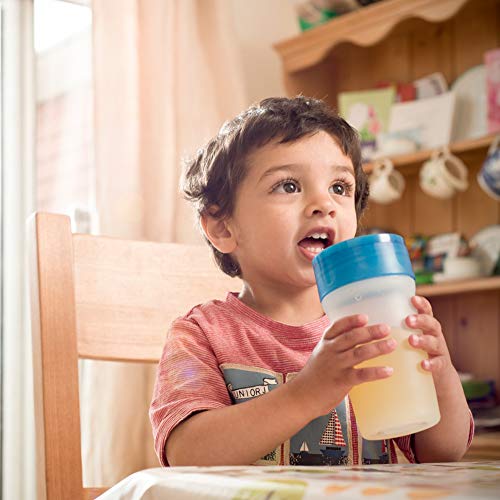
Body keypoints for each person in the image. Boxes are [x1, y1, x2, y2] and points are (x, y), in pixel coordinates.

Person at [150, 96, 473, 467]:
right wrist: (305, 394)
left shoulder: (372, 326)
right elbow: (187, 455)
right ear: (223, 227)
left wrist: (440, 370)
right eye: (288, 186)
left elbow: (443, 453)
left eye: (340, 187)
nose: (325, 203)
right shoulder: (202, 334)